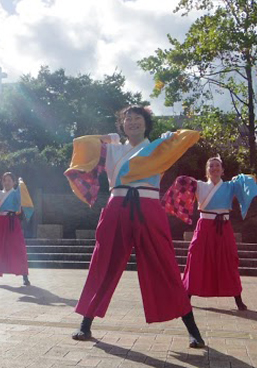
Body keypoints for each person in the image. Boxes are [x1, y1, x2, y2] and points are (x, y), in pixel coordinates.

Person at [65, 105, 205, 347]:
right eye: (127, 119)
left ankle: (192, 328)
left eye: (138, 118)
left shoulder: (159, 148)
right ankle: (85, 324)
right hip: (117, 206)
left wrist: (169, 138)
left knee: (165, 264)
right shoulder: (111, 149)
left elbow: (190, 136)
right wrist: (105, 137)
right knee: (103, 262)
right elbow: (81, 142)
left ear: (146, 123)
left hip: (148, 208)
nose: (132, 122)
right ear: (122, 125)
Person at [162, 157, 257, 310]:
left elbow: (251, 180)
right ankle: (186, 295)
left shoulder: (231, 185)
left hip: (224, 226)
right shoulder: (199, 185)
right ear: (206, 171)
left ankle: (237, 298)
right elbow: (181, 182)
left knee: (229, 259)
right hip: (205, 226)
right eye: (211, 166)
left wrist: (240, 177)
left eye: (218, 166)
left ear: (223, 170)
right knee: (195, 257)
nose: (214, 168)